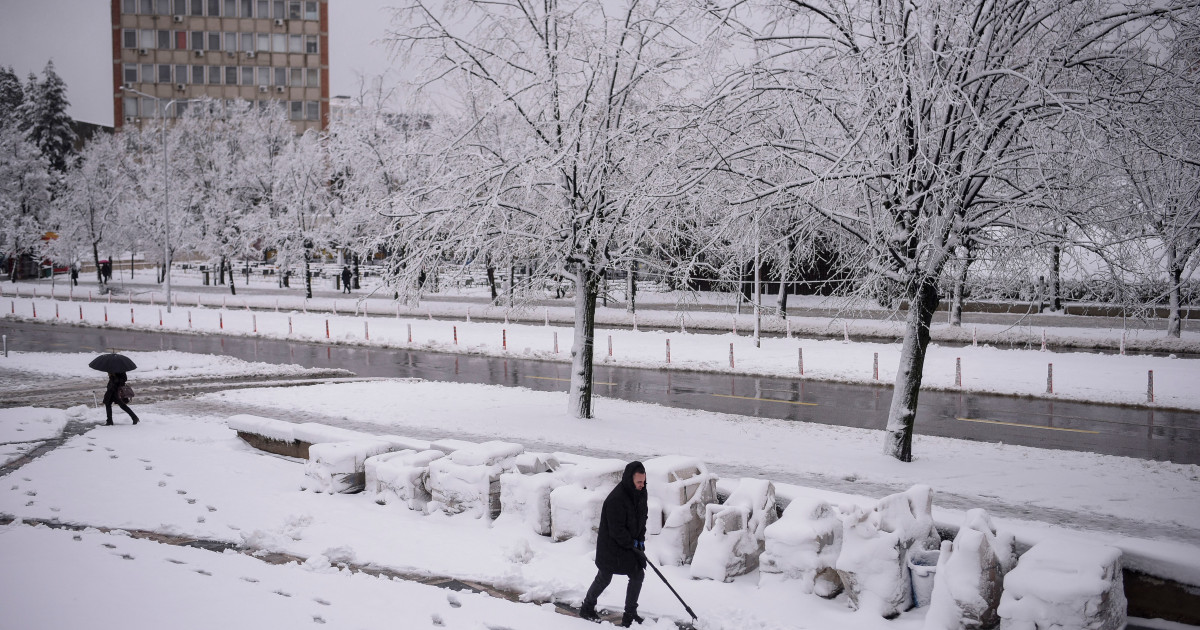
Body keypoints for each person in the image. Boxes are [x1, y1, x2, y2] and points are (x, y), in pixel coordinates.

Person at [581, 461, 648, 627]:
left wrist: (640, 540)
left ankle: (629, 615)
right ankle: (587, 607)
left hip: (628, 544)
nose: (642, 485)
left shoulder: (640, 493)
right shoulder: (616, 499)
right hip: (611, 547)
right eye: (639, 482)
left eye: (644, 481)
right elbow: (617, 530)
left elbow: (642, 518)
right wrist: (632, 543)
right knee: (605, 577)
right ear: (629, 479)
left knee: (637, 574)